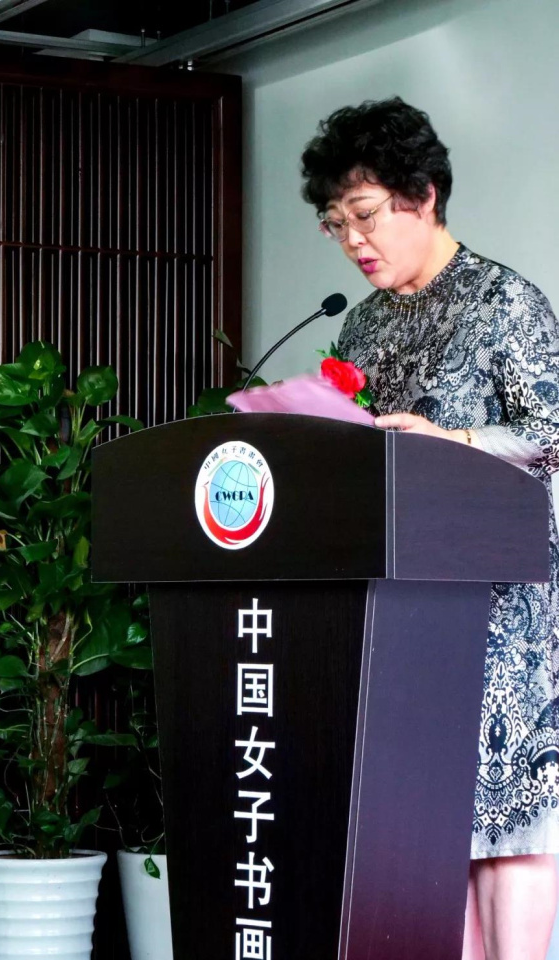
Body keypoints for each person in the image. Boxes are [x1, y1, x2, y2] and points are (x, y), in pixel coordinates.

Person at [301, 96, 559, 960]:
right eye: (336, 224)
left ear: (424, 195)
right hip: (403, 609)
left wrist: (454, 441)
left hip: (502, 611)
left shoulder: (503, 301)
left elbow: (554, 431)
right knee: (427, 832)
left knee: (507, 827)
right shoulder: (364, 322)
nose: (353, 240)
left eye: (366, 214)